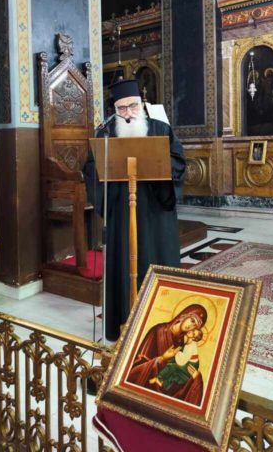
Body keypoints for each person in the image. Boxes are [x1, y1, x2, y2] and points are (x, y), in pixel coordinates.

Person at [83, 79, 185, 341]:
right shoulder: (105, 134)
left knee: (156, 260)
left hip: (155, 212)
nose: (128, 113)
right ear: (114, 110)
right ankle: (123, 321)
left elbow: (178, 163)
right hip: (120, 211)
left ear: (142, 104)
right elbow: (91, 168)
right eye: (122, 109)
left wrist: (159, 167)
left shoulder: (161, 129)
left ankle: (161, 322)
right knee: (122, 262)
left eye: (133, 106)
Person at [127, 304, 207, 405]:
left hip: (167, 396)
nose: (190, 326)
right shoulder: (158, 332)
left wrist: (196, 379)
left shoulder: (184, 343)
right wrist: (162, 358)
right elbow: (135, 366)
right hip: (145, 391)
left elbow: (181, 371)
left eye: (195, 326)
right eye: (192, 320)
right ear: (185, 315)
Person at [149, 327, 203, 391]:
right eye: (193, 330)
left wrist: (176, 352)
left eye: (193, 333)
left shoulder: (192, 347)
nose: (190, 331)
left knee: (173, 366)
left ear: (194, 338)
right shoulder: (187, 342)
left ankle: (159, 379)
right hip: (185, 363)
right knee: (171, 363)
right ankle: (161, 382)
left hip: (189, 367)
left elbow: (182, 361)